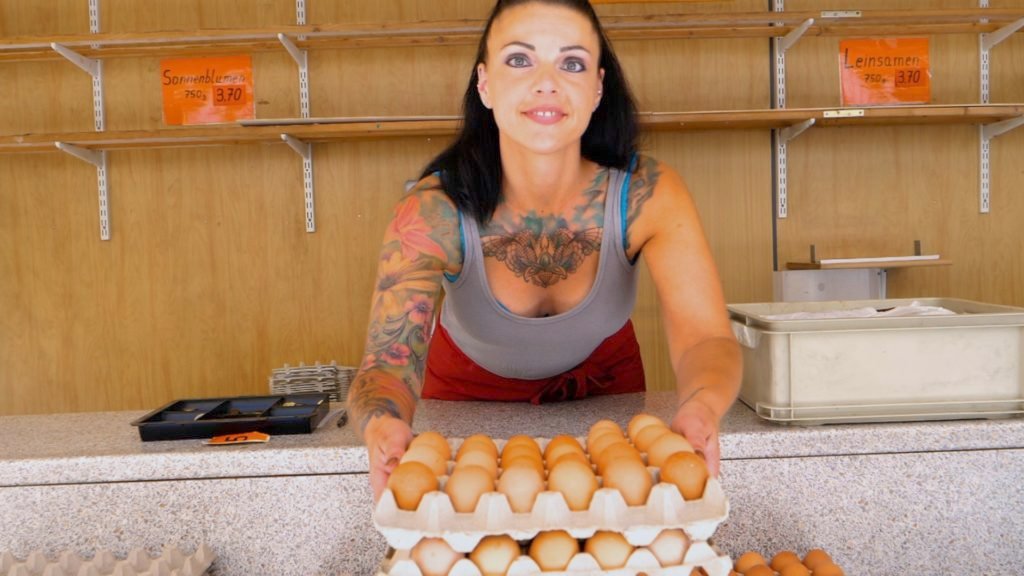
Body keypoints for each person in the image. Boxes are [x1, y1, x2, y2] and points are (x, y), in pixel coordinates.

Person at [346, 0, 742, 501]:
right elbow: (386, 362)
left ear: (597, 87)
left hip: (607, 397)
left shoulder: (649, 193)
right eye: (519, 59)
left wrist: (702, 407)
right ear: (484, 84)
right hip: (464, 404)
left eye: (571, 63)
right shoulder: (432, 209)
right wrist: (383, 427)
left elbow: (705, 337)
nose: (547, 82)